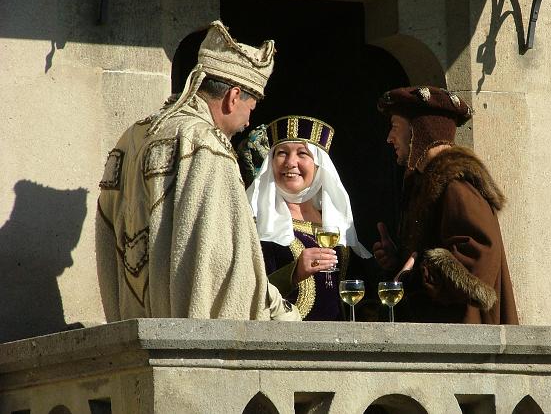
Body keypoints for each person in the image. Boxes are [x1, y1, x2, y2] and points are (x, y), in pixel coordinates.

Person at [96, 20, 299, 322]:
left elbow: (106, 232)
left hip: (138, 329)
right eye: (251, 108)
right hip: (194, 345)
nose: (246, 123)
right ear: (233, 97)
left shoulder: (134, 136)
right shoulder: (207, 144)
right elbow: (224, 262)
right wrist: (282, 314)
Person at [373, 86, 518, 324]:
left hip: (463, 337)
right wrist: (398, 259)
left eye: (395, 127)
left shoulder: (457, 187)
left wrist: (420, 272)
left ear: (419, 131)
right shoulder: (423, 186)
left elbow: (479, 261)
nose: (389, 138)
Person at [246, 116, 372, 320]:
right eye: (282, 153)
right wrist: (293, 273)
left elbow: (359, 289)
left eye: (302, 153)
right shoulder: (255, 220)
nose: (290, 163)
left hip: (340, 340)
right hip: (285, 340)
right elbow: (242, 291)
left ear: (319, 165)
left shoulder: (335, 222)